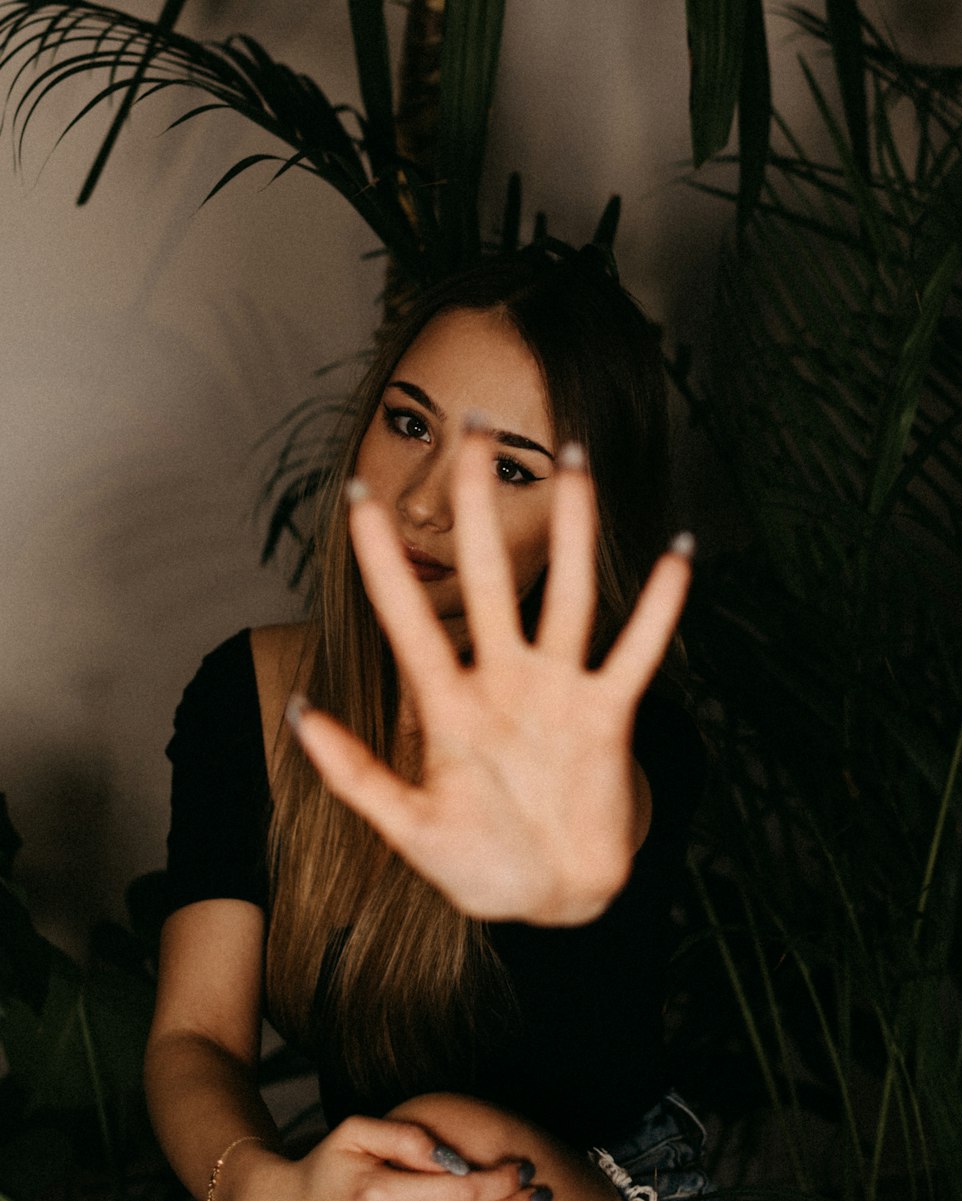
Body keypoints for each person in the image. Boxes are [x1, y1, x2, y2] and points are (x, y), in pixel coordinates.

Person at [145, 247, 709, 1201]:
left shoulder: (617, 739)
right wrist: (260, 1186)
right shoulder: (248, 695)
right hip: (384, 1183)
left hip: (614, 1180)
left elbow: (601, 808)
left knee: (451, 1129)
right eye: (410, 423)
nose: (424, 501)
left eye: (509, 469)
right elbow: (194, 1035)